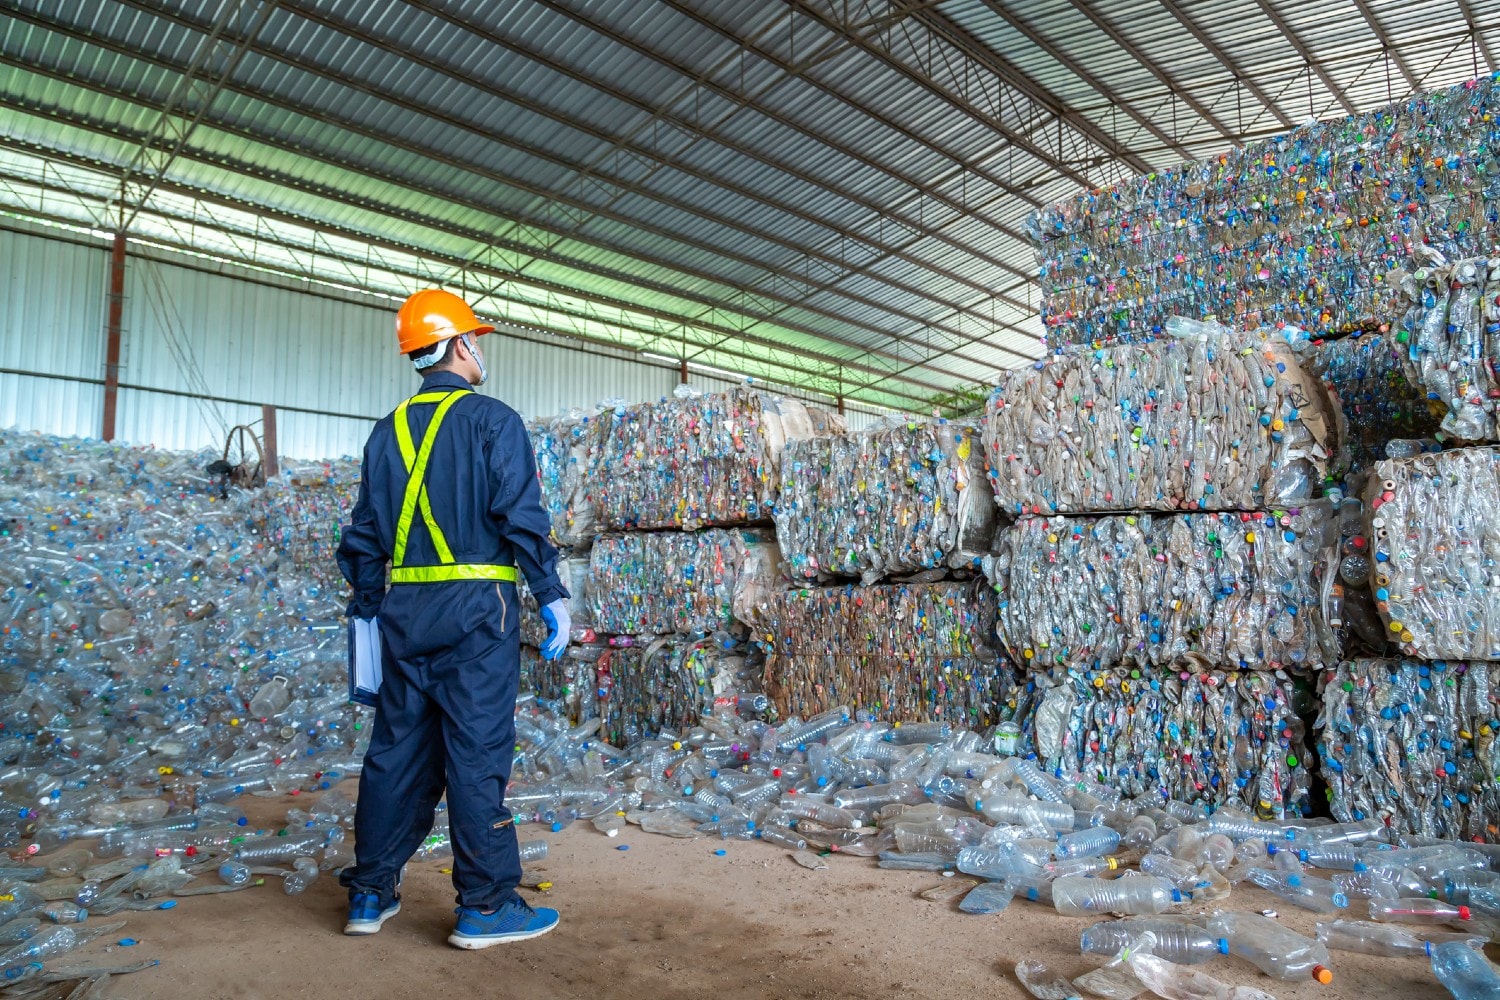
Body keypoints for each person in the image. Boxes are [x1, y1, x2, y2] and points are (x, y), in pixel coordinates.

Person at [335, 288, 572, 949]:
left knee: (396, 752)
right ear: (462, 344)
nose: (481, 349)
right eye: (477, 339)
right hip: (477, 613)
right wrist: (550, 592)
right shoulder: (493, 421)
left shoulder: (387, 432)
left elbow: (362, 540)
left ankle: (370, 893)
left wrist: (367, 609)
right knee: (475, 752)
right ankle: (487, 905)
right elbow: (519, 515)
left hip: (403, 612)